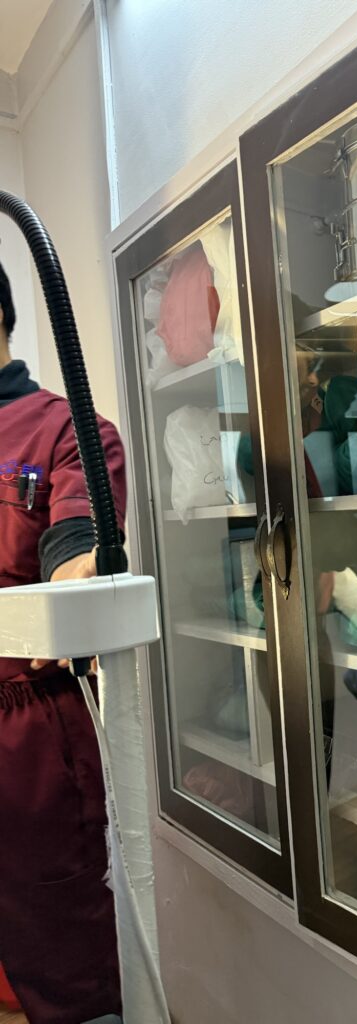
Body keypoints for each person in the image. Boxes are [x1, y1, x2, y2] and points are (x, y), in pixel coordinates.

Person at [0, 261, 124, 1024]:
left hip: (31, 737)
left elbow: (75, 539)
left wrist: (76, 572)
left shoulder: (66, 429)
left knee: (66, 962)